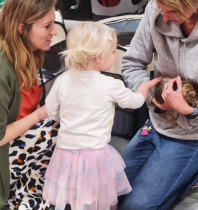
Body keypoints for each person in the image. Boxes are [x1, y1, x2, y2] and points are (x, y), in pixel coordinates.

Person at [42, 21, 161, 210]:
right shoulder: (110, 84)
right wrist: (143, 88)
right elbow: (134, 102)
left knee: (73, 196)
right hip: (95, 156)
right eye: (113, 52)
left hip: (65, 155)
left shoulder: (62, 80)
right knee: (99, 198)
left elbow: (52, 111)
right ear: (98, 57)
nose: (115, 56)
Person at [121, 0, 198, 210]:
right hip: (155, 125)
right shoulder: (156, 8)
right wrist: (155, 99)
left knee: (136, 207)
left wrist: (190, 111)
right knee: (106, 193)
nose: (163, 17)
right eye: (161, 9)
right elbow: (131, 63)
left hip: (192, 138)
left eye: (173, 11)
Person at [0, 0, 58, 210]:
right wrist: (40, 115)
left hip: (21, 147)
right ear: (22, 28)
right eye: (47, 26)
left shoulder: (28, 56)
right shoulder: (3, 68)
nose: (54, 32)